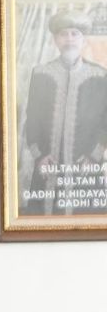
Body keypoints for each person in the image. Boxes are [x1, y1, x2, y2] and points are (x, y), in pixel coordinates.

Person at [21, 11, 107, 216]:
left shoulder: (100, 76)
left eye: (75, 34)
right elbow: (32, 119)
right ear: (55, 40)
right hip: (48, 165)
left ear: (83, 39)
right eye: (63, 34)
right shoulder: (41, 74)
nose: (69, 39)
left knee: (87, 223)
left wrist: (94, 157)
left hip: (86, 166)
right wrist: (39, 156)